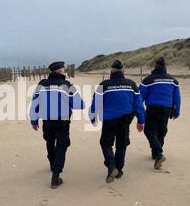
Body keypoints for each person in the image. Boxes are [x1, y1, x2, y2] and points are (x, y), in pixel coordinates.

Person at [29, 61, 85, 189]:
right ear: (60, 71)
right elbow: (79, 105)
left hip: (47, 121)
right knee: (61, 145)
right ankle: (55, 176)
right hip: (62, 121)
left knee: (49, 141)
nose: (64, 71)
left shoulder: (41, 84)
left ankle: (52, 162)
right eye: (63, 69)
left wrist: (34, 120)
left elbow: (34, 103)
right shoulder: (67, 85)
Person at [89, 60, 145, 183]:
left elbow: (95, 103)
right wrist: (141, 120)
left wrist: (92, 117)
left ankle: (111, 166)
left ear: (111, 71)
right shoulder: (131, 84)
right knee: (122, 143)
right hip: (126, 119)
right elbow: (138, 104)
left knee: (105, 143)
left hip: (109, 120)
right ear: (123, 71)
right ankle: (118, 169)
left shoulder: (103, 85)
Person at [139, 57, 181, 170]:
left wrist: (139, 112)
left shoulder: (148, 80)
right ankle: (155, 153)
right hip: (166, 109)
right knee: (161, 131)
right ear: (165, 66)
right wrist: (176, 111)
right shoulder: (173, 80)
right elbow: (177, 98)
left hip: (152, 108)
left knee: (149, 131)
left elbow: (140, 97)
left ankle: (158, 154)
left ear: (155, 66)